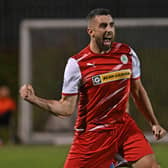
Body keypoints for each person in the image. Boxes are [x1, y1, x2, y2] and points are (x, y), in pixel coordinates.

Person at [19, 8, 167, 168]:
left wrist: (154, 123)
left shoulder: (127, 54)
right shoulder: (77, 64)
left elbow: (137, 90)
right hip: (93, 134)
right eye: (103, 26)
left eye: (111, 25)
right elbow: (66, 108)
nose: (109, 30)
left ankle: (114, 161)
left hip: (123, 126)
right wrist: (33, 99)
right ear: (91, 31)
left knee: (150, 165)